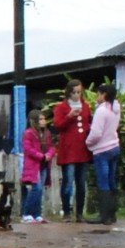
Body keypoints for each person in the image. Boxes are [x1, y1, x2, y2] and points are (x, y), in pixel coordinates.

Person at [52, 80, 94, 221]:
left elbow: (89, 123)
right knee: (68, 183)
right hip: (68, 150)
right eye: (74, 92)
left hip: (83, 149)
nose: (77, 95)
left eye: (79, 92)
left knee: (81, 184)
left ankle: (80, 213)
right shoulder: (61, 107)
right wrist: (69, 116)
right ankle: (67, 212)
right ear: (69, 93)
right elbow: (57, 125)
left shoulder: (86, 106)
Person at [86, 83, 123, 226]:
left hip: (102, 150)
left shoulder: (101, 111)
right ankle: (112, 214)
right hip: (114, 146)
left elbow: (96, 133)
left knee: (103, 181)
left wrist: (88, 143)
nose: (97, 96)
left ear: (104, 95)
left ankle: (104, 215)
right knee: (112, 180)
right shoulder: (115, 108)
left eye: (98, 94)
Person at [20, 109, 55, 223]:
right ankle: (26, 213)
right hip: (33, 164)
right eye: (41, 119)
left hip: (44, 164)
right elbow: (28, 149)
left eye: (44, 119)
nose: (44, 121)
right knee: (36, 188)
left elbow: (52, 146)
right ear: (34, 121)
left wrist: (49, 154)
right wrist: (42, 156)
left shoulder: (47, 133)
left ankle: (37, 214)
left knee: (40, 190)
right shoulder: (28, 133)